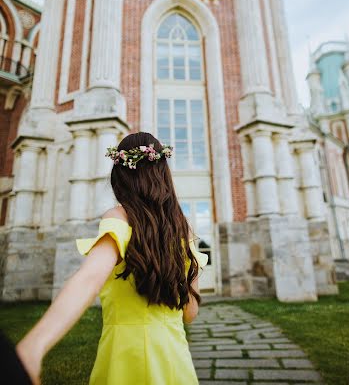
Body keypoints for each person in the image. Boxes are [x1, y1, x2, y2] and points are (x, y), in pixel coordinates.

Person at [15, 132, 208, 385]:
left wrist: (33, 347)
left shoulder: (117, 218)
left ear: (120, 177)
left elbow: (89, 278)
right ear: (163, 174)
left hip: (126, 356)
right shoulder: (184, 228)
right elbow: (189, 313)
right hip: (174, 359)